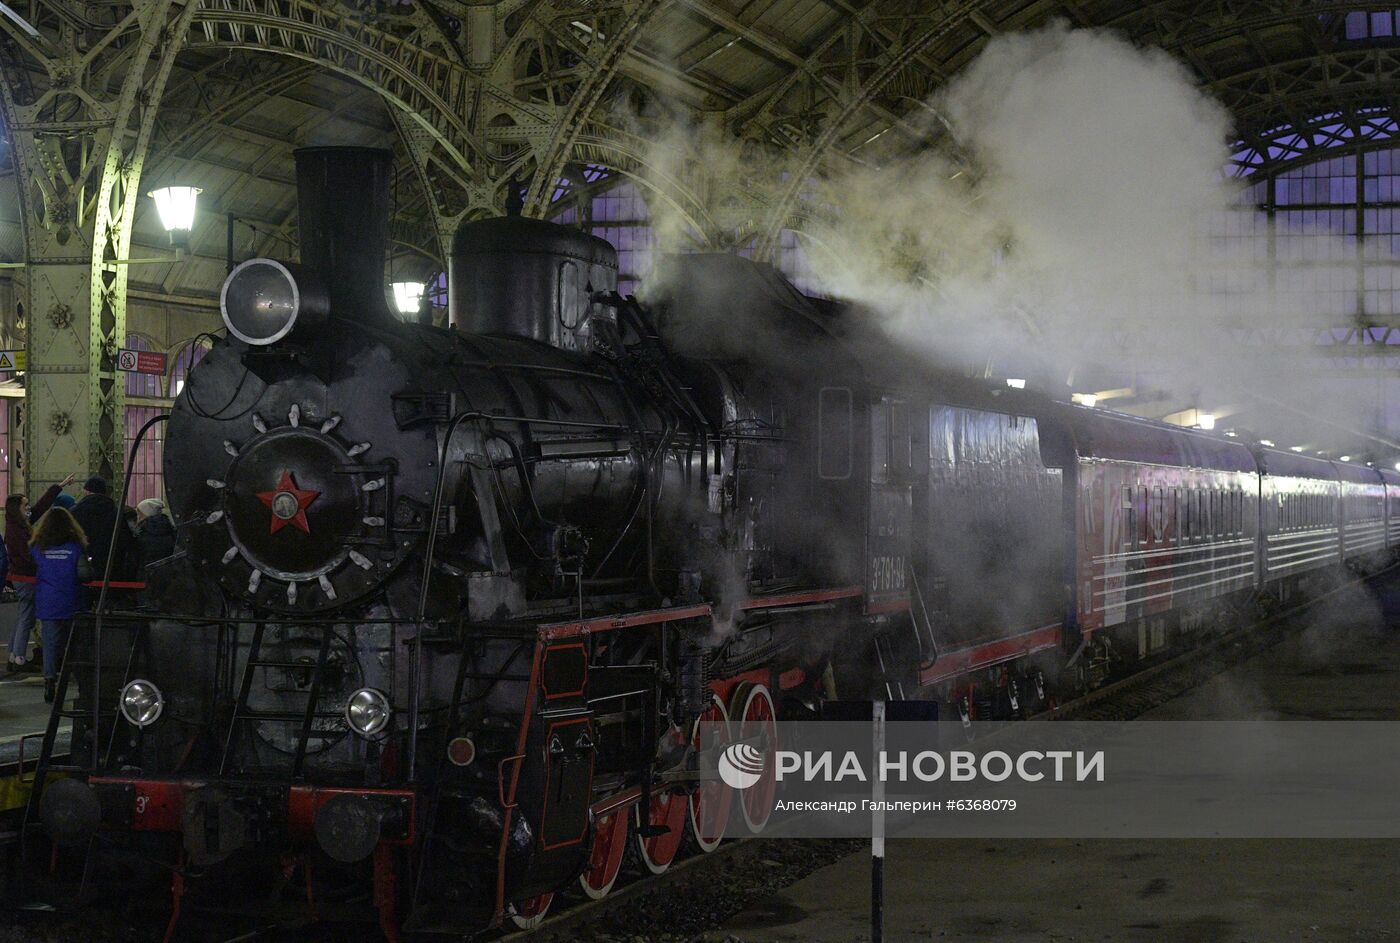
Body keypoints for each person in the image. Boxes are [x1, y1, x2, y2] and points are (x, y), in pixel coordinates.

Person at [5, 475, 73, 671]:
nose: (28, 508)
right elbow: (26, 556)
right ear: (17, 508)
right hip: (25, 578)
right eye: (25, 505)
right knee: (27, 618)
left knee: (22, 617)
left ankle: (13, 654)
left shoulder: (16, 525)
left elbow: (39, 508)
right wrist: (44, 566)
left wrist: (57, 486)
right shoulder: (16, 530)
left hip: (20, 578)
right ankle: (18, 658)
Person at [30, 507, 88, 703]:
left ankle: (50, 681)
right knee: (75, 643)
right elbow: (84, 574)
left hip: (48, 601)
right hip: (71, 600)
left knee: (50, 645)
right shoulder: (75, 547)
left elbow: (31, 569)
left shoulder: (38, 547)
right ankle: (80, 682)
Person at [71, 477, 117, 577]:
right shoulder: (115, 511)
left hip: (82, 561)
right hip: (110, 561)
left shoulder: (76, 511)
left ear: (87, 491)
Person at [135, 498, 175, 566]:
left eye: (140, 513)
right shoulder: (169, 529)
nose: (138, 517)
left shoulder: (143, 532)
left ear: (145, 514)